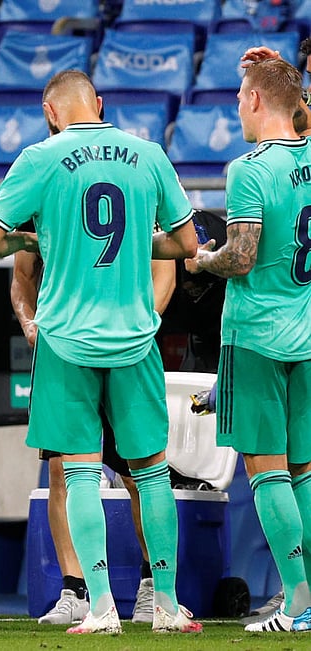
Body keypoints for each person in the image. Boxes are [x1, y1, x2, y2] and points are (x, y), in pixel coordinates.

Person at [0, 69, 201, 635]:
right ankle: (167, 606)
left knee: (76, 474)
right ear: (97, 105)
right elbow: (187, 244)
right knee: (150, 474)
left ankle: (100, 607)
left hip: (67, 341)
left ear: (52, 112)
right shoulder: (148, 154)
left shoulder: (41, 157)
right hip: (133, 338)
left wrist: (36, 238)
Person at [184, 57, 311, 634]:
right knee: (305, 472)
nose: (236, 105)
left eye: (240, 96)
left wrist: (199, 261)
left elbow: (241, 255)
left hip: (258, 335)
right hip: (308, 335)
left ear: (257, 101)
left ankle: (297, 603)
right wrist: (285, 73)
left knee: (268, 473)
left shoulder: (250, 169)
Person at [13, 234, 179, 625]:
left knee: (140, 471)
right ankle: (78, 591)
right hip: (68, 350)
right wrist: (30, 321)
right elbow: (22, 273)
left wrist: (136, 329)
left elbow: (165, 273)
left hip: (125, 351)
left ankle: (153, 586)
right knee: (63, 472)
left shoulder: (133, 178)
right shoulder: (47, 194)